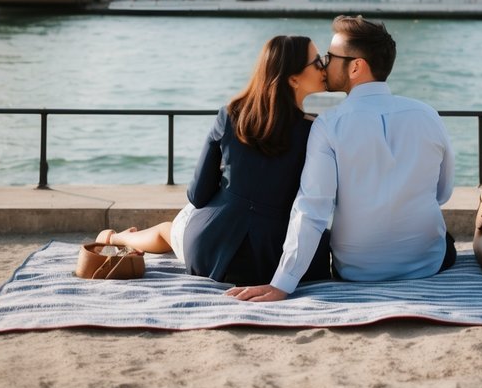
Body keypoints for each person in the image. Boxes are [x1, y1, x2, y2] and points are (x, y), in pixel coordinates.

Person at [227, 14, 456, 303]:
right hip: (427, 263)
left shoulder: (328, 124)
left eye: (330, 56)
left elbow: (312, 208)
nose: (324, 64)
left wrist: (282, 283)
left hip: (358, 269)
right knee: (444, 240)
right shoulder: (428, 115)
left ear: (356, 67)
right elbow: (443, 192)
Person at [96, 35, 331, 283]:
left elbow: (197, 195)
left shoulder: (230, 115)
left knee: (170, 230)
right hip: (275, 260)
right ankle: (117, 238)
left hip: (210, 253)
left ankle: (114, 238)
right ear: (293, 79)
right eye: (317, 62)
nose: (324, 66)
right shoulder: (314, 131)